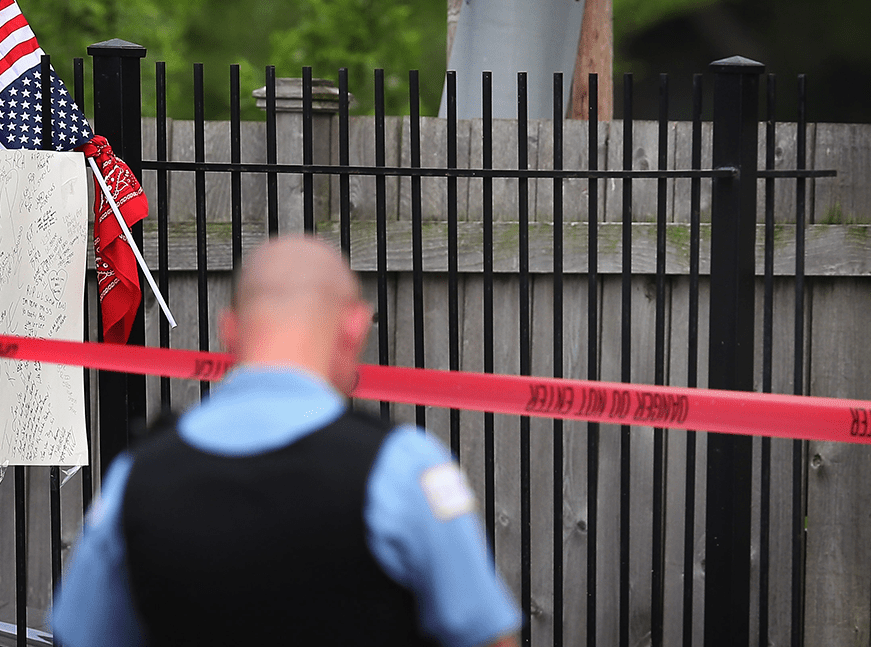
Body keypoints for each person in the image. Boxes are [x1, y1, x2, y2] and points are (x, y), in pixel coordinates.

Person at [51, 234, 521, 647]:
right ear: (355, 327)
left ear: (229, 330)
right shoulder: (403, 468)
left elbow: (82, 633)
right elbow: (487, 636)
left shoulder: (135, 479)